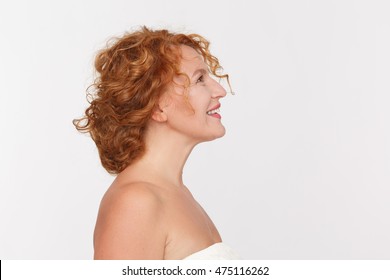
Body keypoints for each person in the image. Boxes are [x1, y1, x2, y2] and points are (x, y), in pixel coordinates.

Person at [73, 26, 239, 260]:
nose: (220, 90)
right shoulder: (136, 202)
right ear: (158, 106)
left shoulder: (178, 194)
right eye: (200, 79)